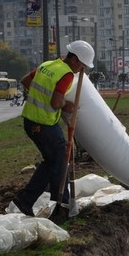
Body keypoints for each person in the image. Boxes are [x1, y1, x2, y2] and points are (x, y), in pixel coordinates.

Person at [11, 40, 95, 222]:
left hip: (31, 120)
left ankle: (26, 200)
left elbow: (25, 81)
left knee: (52, 161)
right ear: (74, 60)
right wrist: (67, 105)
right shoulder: (66, 75)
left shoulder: (48, 65)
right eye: (82, 65)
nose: (82, 69)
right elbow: (56, 103)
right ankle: (61, 205)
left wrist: (42, 95)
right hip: (43, 124)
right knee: (60, 159)